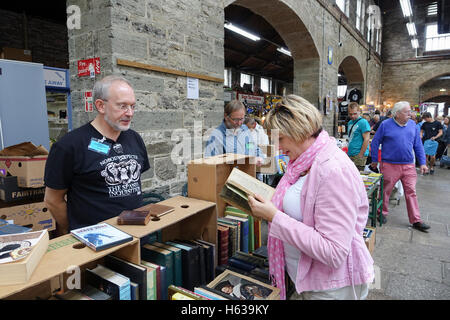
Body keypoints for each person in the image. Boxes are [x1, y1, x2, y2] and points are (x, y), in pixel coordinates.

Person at [247, 95, 374, 300]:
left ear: (300, 131)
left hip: (330, 288)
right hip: (312, 279)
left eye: (280, 139)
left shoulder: (332, 170)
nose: (278, 147)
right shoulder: (304, 162)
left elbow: (333, 251)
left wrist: (274, 217)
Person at [44, 75, 150, 235]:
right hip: (96, 243)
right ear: (101, 106)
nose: (130, 113)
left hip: (137, 234)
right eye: (122, 106)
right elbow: (52, 200)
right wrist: (78, 230)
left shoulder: (134, 138)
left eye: (133, 106)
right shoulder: (69, 145)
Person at [370, 101, 430, 232]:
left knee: (411, 192)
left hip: (408, 165)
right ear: (397, 114)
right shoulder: (386, 125)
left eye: (410, 111)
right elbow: (375, 142)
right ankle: (382, 213)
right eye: (407, 112)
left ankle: (416, 220)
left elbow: (418, 145)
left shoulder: (413, 126)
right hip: (389, 164)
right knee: (385, 190)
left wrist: (423, 163)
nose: (411, 114)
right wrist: (374, 160)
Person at [204, 100, 264, 165]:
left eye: (241, 119)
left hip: (248, 173)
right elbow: (210, 165)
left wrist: (259, 158)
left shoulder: (245, 130)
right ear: (226, 116)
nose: (239, 123)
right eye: (235, 119)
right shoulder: (216, 136)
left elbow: (253, 148)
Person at [347, 102, 371, 171]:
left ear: (359, 112)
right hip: (351, 152)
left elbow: (366, 139)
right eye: (350, 114)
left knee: (358, 176)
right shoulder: (350, 122)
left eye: (355, 113)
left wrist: (361, 154)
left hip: (359, 154)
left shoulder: (363, 122)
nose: (352, 116)